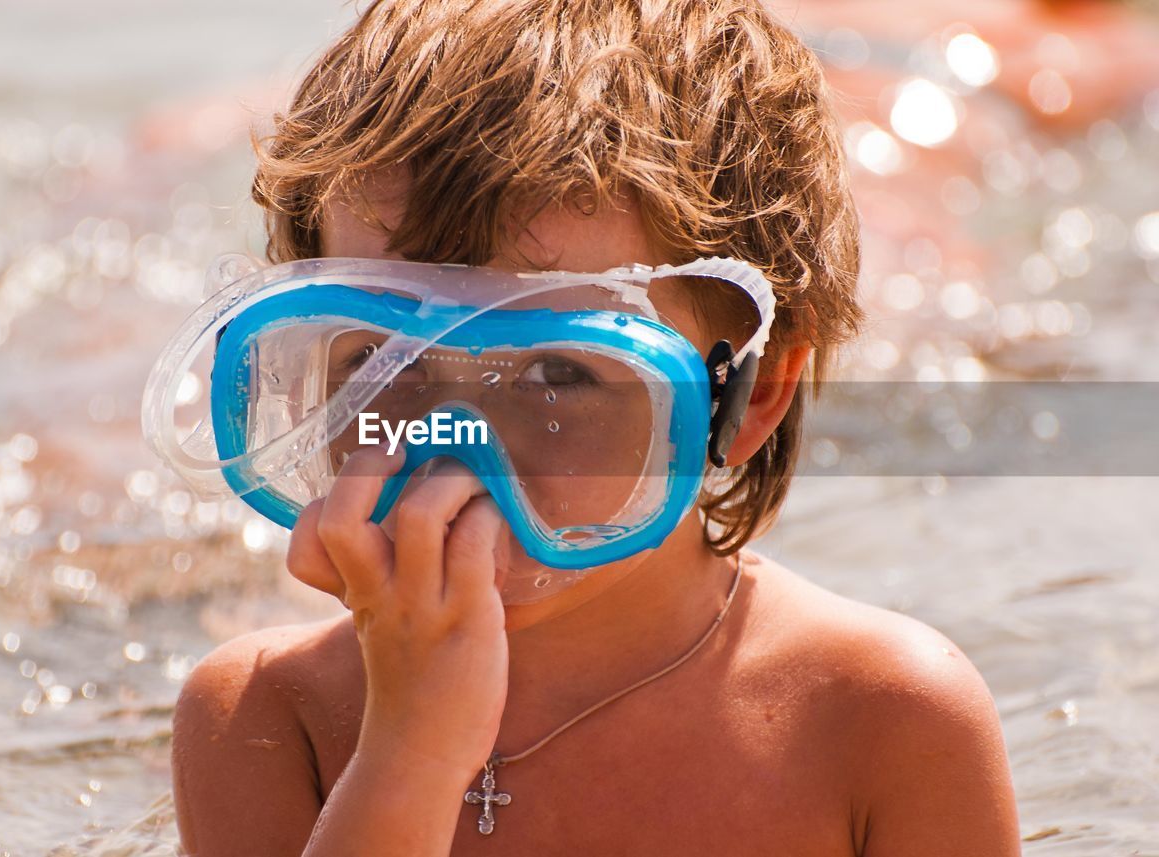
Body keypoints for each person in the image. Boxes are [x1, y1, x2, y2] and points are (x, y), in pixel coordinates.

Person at [165, 1, 1021, 854]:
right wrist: (409, 753)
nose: (450, 446)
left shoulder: (883, 721)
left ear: (748, 399)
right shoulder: (264, 717)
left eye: (559, 373)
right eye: (382, 362)